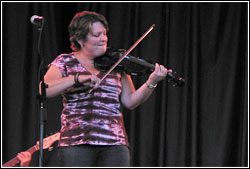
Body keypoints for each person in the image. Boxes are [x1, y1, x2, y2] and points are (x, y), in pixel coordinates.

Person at [41, 11, 171, 167]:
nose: (103, 39)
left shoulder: (116, 64)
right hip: (76, 144)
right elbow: (44, 89)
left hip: (114, 144)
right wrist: (77, 78)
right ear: (81, 39)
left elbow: (130, 101)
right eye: (96, 35)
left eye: (104, 34)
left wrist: (152, 81)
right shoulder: (65, 61)